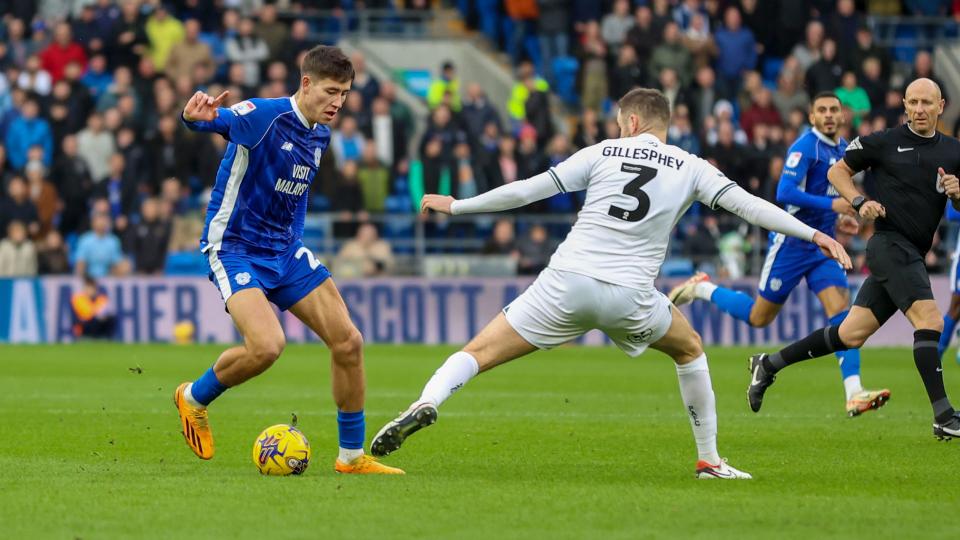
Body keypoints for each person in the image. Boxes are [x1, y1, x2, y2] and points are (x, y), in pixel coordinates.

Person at [370, 88, 852, 479]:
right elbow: (750, 205)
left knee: (477, 352)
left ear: (634, 123)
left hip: (566, 281)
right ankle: (709, 460)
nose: (619, 130)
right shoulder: (691, 166)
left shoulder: (601, 152)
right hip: (631, 296)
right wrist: (814, 234)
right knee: (690, 350)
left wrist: (459, 205)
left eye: (622, 122)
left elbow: (526, 191)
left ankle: (427, 401)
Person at [174, 45, 401, 474]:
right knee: (267, 347)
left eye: (346, 94)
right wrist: (195, 115)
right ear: (307, 83)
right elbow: (214, 120)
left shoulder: (320, 133)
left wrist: (294, 242)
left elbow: (298, 195)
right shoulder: (264, 116)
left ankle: (351, 457)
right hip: (235, 246)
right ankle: (192, 398)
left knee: (349, 342)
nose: (338, 102)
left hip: (285, 251)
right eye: (332, 91)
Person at [746, 78, 960, 440]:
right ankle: (943, 415)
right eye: (913, 102)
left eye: (927, 103)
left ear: (941, 107)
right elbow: (837, 171)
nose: (919, 109)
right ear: (905, 106)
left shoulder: (954, 152)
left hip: (912, 253)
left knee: (850, 333)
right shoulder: (884, 141)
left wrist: (958, 195)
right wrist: (859, 202)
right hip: (890, 245)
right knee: (931, 320)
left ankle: (768, 365)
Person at [669, 92, 889, 417]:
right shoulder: (804, 148)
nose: (829, 115)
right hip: (790, 243)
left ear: (842, 116)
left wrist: (840, 218)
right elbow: (784, 194)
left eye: (834, 110)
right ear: (812, 117)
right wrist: (833, 205)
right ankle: (703, 287)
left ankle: (853, 391)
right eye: (822, 110)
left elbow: (827, 195)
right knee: (759, 317)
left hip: (823, 244)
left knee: (841, 310)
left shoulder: (843, 149)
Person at [71, 275, 116, 339]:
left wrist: (103, 316)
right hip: (84, 325)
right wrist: (97, 316)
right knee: (94, 321)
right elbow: (85, 314)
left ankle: (108, 339)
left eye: (91, 287)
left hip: (99, 323)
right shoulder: (78, 299)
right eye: (87, 287)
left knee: (111, 319)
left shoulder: (101, 299)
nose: (89, 290)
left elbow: (107, 311)